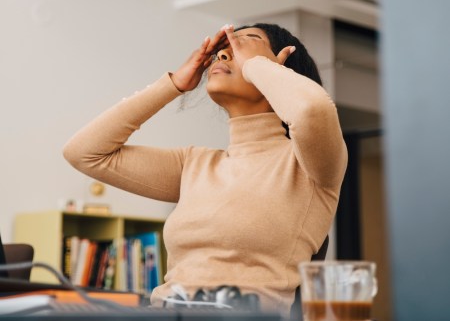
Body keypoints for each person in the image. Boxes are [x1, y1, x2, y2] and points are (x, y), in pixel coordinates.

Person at [63, 23, 347, 316]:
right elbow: (84, 153)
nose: (223, 54)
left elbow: (312, 110)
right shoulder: (194, 164)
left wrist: (258, 67)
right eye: (222, 49)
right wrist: (172, 85)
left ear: (280, 67)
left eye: (243, 44)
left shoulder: (310, 166)